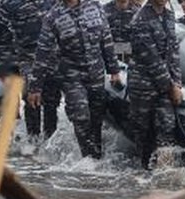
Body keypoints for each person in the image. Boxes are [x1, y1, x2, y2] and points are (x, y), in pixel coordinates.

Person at [29, 0, 121, 159]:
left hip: (96, 73)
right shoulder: (52, 17)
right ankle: (89, 161)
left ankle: (97, 158)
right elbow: (42, 52)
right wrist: (35, 87)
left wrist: (114, 70)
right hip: (71, 75)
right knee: (80, 115)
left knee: (96, 118)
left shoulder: (95, 6)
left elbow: (106, 39)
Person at [0, 0, 63, 141]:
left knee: (51, 100)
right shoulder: (11, 5)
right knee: (30, 97)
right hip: (28, 58)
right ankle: (32, 140)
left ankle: (50, 140)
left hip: (52, 57)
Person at [127, 0, 180, 169]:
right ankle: (143, 176)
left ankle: (164, 175)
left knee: (167, 129)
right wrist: (171, 87)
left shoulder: (169, 16)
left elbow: (173, 52)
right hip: (143, 86)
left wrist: (177, 82)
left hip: (165, 86)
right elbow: (152, 59)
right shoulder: (139, 20)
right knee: (143, 135)